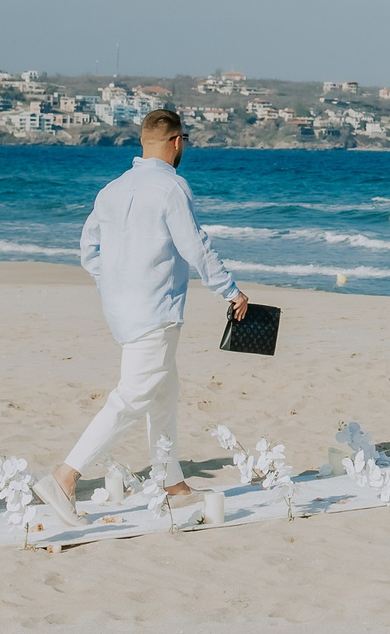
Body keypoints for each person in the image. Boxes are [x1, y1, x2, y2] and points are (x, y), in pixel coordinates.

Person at [36, 109, 248, 527]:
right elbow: (196, 247)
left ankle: (172, 484)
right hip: (155, 310)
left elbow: (88, 251)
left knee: (164, 392)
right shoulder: (172, 187)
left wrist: (113, 285)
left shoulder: (111, 189)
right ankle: (64, 477)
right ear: (176, 142)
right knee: (133, 396)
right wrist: (230, 289)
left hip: (121, 309)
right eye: (183, 140)